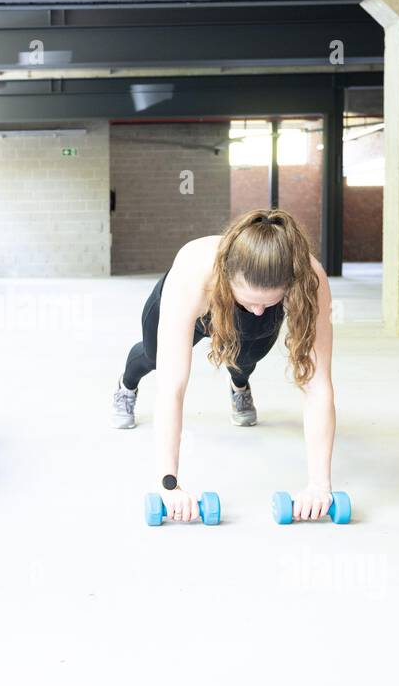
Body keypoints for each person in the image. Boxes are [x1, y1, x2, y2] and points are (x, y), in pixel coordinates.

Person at [111, 208, 337, 522]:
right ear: (228, 276)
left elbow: (318, 385)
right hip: (198, 301)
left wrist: (320, 485)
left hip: (246, 299)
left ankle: (239, 383)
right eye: (251, 300)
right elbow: (172, 388)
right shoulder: (193, 276)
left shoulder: (310, 278)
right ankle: (127, 384)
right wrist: (169, 484)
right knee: (155, 359)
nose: (259, 311)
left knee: (246, 357)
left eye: (269, 302)